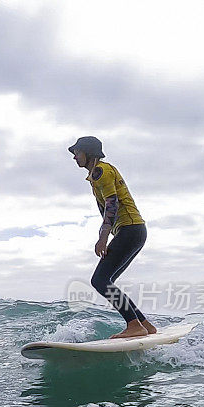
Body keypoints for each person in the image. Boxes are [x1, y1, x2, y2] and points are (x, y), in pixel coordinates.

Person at [68, 136, 157, 339]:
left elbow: (112, 204)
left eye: (77, 152)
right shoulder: (97, 173)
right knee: (106, 280)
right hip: (133, 230)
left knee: (99, 280)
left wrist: (103, 237)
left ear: (88, 153)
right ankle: (143, 324)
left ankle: (134, 325)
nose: (74, 157)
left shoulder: (101, 172)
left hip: (130, 229)